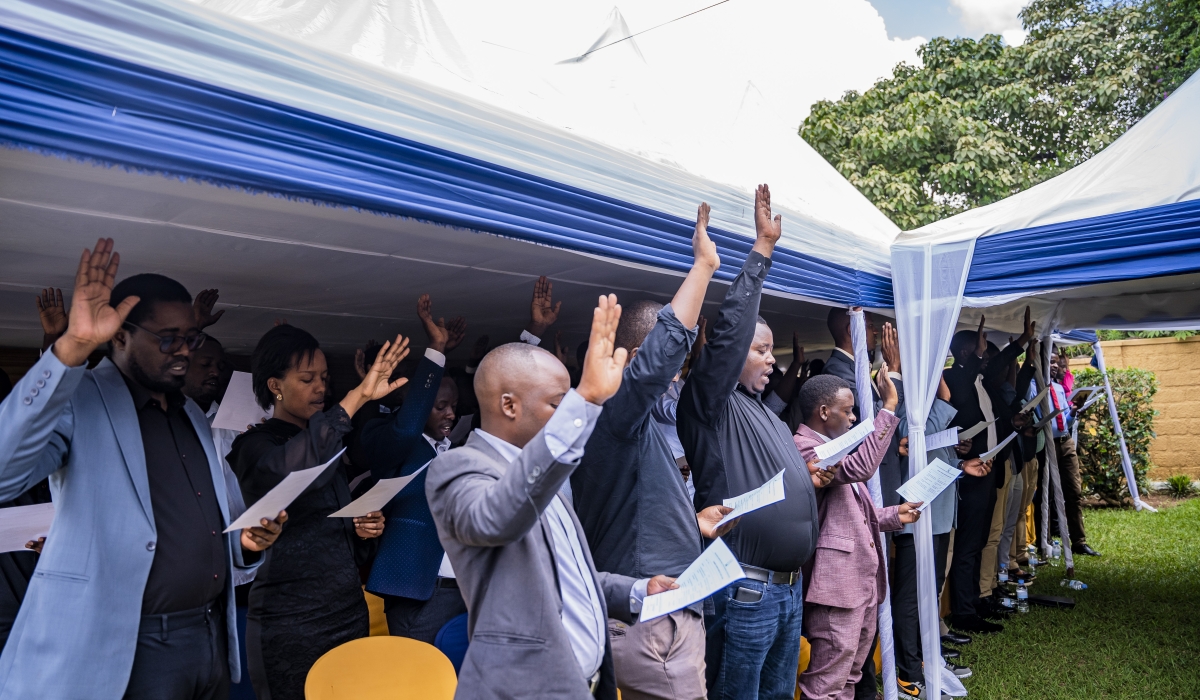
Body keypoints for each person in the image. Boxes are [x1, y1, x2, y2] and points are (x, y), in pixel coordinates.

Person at [0, 239, 285, 699]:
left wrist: (244, 546)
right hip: (129, 642)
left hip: (210, 634)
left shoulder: (191, 412)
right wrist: (68, 349)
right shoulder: (79, 399)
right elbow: (4, 474)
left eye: (190, 338)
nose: (184, 352)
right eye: (168, 338)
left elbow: (193, 518)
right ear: (119, 335)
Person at [426, 296, 677, 699]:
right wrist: (587, 399)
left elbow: (564, 576)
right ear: (508, 405)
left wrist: (635, 589)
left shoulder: (551, 475)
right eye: (558, 405)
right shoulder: (456, 468)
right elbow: (497, 519)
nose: (566, 416)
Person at [571, 203, 734, 700]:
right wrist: (703, 268)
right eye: (678, 364)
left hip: (662, 614)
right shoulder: (611, 417)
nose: (679, 374)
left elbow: (636, 509)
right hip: (648, 622)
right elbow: (657, 360)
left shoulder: (630, 428)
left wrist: (694, 524)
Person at [678, 185, 831, 700]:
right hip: (745, 587)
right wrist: (761, 252)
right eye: (760, 350)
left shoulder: (757, 407)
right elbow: (726, 338)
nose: (771, 360)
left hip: (786, 590)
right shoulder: (709, 404)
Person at [228, 324, 408, 700]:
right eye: (307, 379)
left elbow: (334, 533)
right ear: (275, 385)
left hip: (346, 610)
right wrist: (358, 396)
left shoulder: (326, 442)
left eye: (324, 378)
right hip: (291, 620)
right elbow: (289, 469)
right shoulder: (255, 445)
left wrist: (362, 530)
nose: (320, 388)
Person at [792, 372, 920, 700]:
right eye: (847, 411)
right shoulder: (804, 447)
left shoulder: (834, 449)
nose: (852, 418)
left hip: (859, 582)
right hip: (837, 587)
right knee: (826, 683)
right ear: (823, 412)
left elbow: (849, 517)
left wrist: (895, 515)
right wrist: (889, 407)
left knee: (849, 676)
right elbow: (861, 469)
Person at [359, 295, 470, 644]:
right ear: (416, 406)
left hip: (462, 588)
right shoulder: (394, 443)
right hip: (416, 588)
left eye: (453, 406)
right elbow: (407, 427)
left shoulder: (454, 451)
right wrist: (436, 350)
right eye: (440, 406)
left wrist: (533, 337)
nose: (451, 414)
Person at [1048, 352, 1098, 556]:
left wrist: (1073, 412)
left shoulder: (1059, 388)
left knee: (1074, 491)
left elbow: (1064, 421)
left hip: (1065, 441)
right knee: (1048, 494)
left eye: (1055, 362)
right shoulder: (1034, 388)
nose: (1054, 366)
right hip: (1047, 445)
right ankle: (1046, 541)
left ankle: (1079, 541)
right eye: (1050, 362)